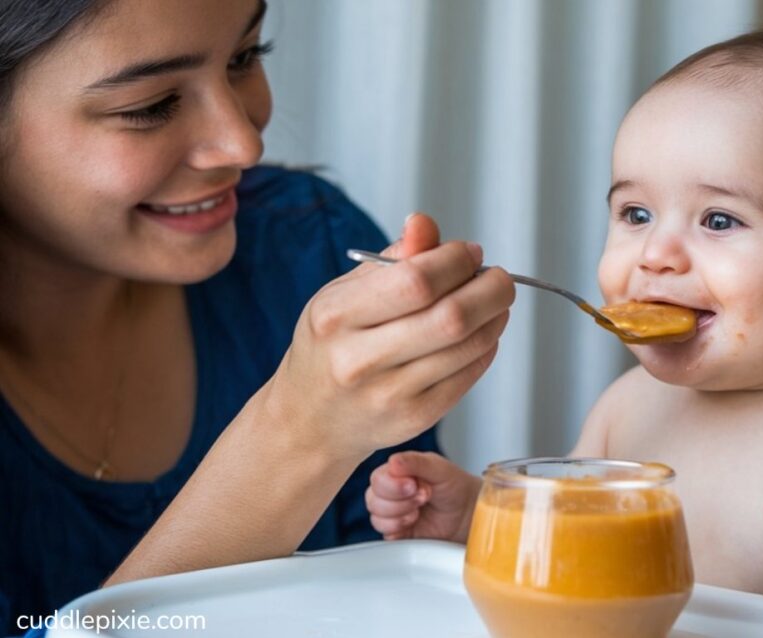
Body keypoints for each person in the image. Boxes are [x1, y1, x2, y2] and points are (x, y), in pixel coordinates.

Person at [366, 30, 763, 615]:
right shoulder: (627, 412)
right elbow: (570, 546)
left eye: (719, 220)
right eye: (636, 214)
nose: (655, 255)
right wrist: (477, 515)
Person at [0, 0, 516, 633]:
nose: (242, 144)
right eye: (150, 105)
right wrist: (298, 432)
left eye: (244, 57)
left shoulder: (309, 251)